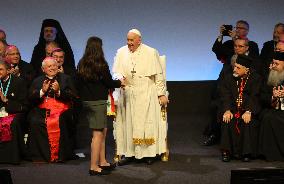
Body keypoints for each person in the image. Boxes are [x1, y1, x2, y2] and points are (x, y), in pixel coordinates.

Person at [113, 29, 168, 165]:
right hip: (129, 93)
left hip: (147, 92)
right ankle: (130, 153)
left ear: (139, 40)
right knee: (129, 124)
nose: (129, 43)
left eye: (132, 40)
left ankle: (149, 154)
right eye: (128, 40)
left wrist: (161, 93)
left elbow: (159, 76)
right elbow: (115, 72)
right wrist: (120, 78)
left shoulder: (151, 52)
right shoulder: (121, 52)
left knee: (147, 124)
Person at [77, 36, 124, 175]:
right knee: (97, 134)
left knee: (102, 130)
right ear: (99, 48)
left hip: (87, 102)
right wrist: (120, 82)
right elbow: (109, 83)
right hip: (98, 102)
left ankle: (102, 161)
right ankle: (93, 167)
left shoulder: (82, 63)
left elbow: (78, 83)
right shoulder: (100, 64)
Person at [204, 37, 260, 146]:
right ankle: (216, 135)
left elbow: (256, 89)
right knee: (218, 106)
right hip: (230, 97)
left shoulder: (255, 64)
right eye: (235, 46)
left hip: (247, 99)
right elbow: (221, 85)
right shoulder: (228, 65)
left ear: (247, 48)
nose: (237, 48)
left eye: (241, 46)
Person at [28, 57, 77, 163]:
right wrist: (42, 91)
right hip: (42, 109)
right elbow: (30, 97)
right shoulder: (37, 80)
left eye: (54, 65)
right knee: (35, 121)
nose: (52, 68)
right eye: (49, 66)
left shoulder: (66, 78)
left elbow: (73, 96)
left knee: (59, 120)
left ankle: (59, 155)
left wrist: (59, 91)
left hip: (62, 109)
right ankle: (41, 155)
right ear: (43, 69)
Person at [220, 54, 262, 162]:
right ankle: (226, 152)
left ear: (246, 70)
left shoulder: (255, 78)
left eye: (238, 68)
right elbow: (225, 95)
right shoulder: (229, 78)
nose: (235, 69)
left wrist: (249, 111)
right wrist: (227, 110)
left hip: (248, 109)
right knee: (227, 119)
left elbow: (255, 96)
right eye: (235, 66)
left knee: (248, 121)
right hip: (233, 109)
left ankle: (246, 152)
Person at [0, 60, 29, 164]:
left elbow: (24, 105)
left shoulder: (19, 82)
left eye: (0, 69)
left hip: (14, 112)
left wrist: (6, 100)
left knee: (13, 123)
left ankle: (12, 157)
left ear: (8, 71)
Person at [259, 51, 284, 161]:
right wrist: (272, 96)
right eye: (273, 63)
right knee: (267, 117)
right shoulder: (269, 77)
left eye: (276, 64)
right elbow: (261, 96)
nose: (273, 66)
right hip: (273, 108)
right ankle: (271, 154)